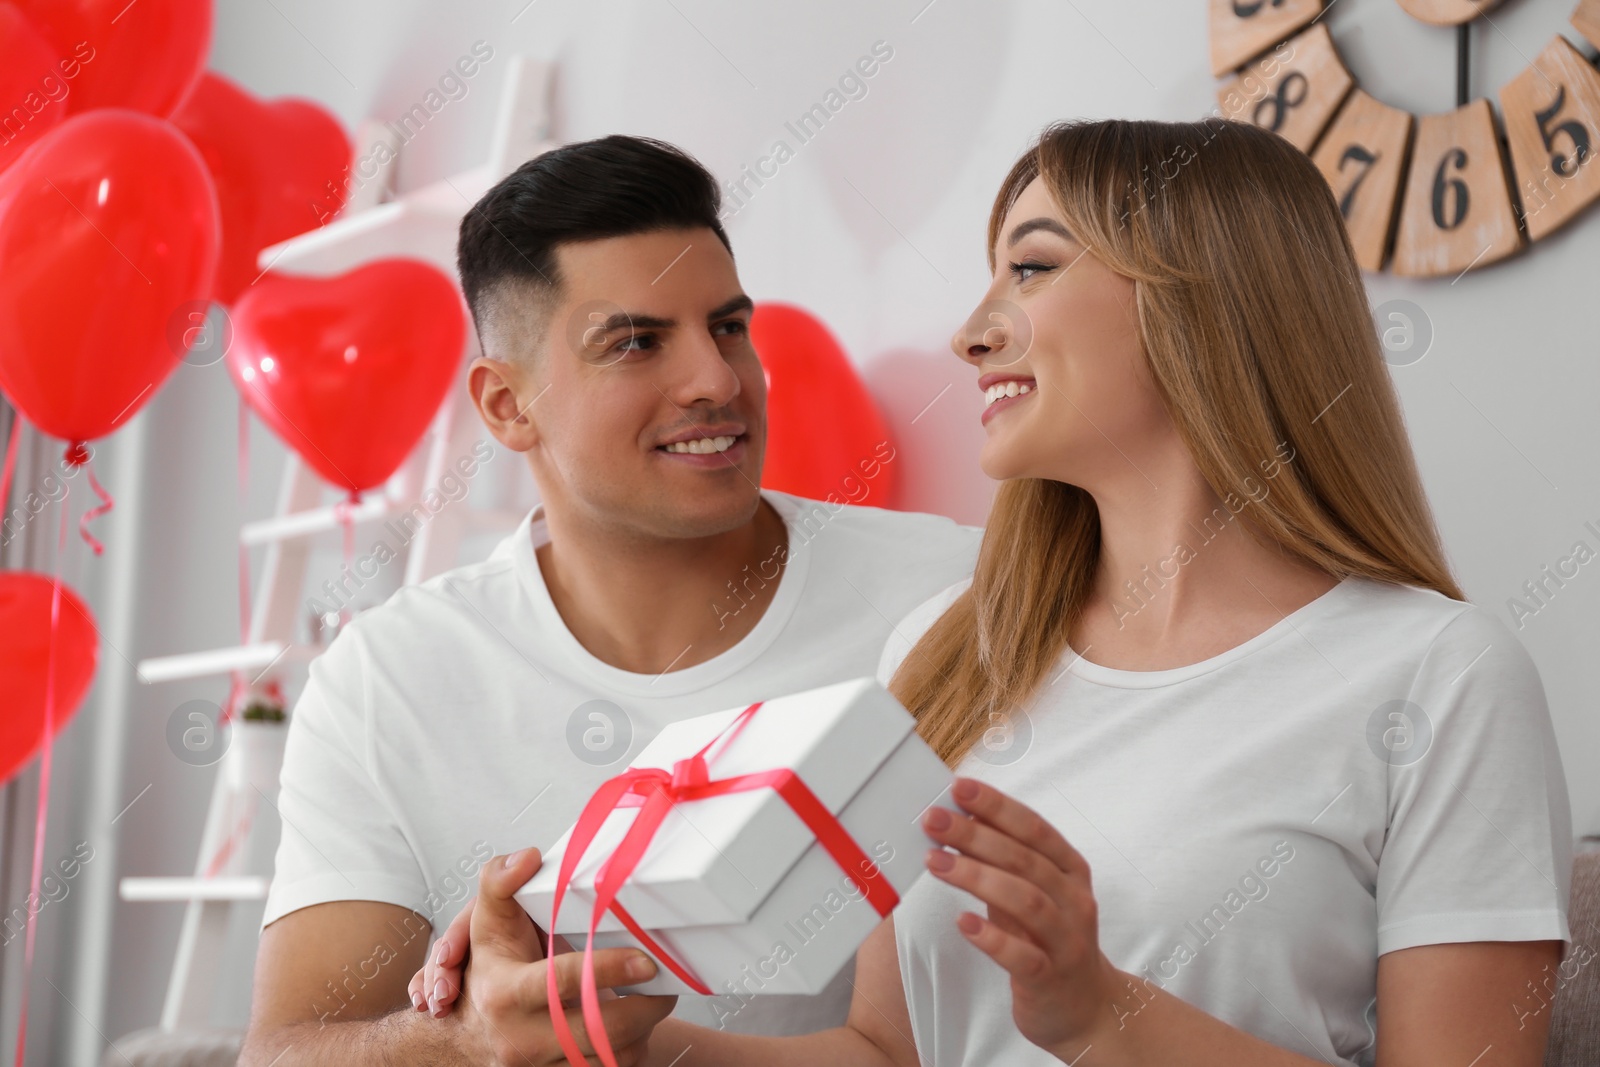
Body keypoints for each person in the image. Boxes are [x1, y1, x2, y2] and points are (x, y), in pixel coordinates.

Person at [419, 116, 1573, 1067]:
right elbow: (883, 1051)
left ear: (1206, 299)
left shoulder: (1436, 676)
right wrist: (603, 1022)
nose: (972, 333)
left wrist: (1099, 1011)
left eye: (1029, 266)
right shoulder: (948, 651)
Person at [236, 134, 982, 1066]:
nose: (717, 380)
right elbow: (284, 1050)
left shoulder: (953, 596)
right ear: (507, 407)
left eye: (728, 326)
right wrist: (466, 1043)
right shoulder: (390, 678)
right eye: (635, 342)